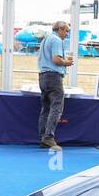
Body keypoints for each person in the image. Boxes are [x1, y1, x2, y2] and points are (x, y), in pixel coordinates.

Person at [37, 19, 73, 150]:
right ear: (60, 30)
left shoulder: (46, 39)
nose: (67, 34)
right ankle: (49, 137)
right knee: (56, 107)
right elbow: (56, 60)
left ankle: (43, 137)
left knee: (45, 108)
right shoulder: (57, 40)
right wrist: (66, 62)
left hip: (43, 76)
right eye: (66, 31)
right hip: (53, 77)